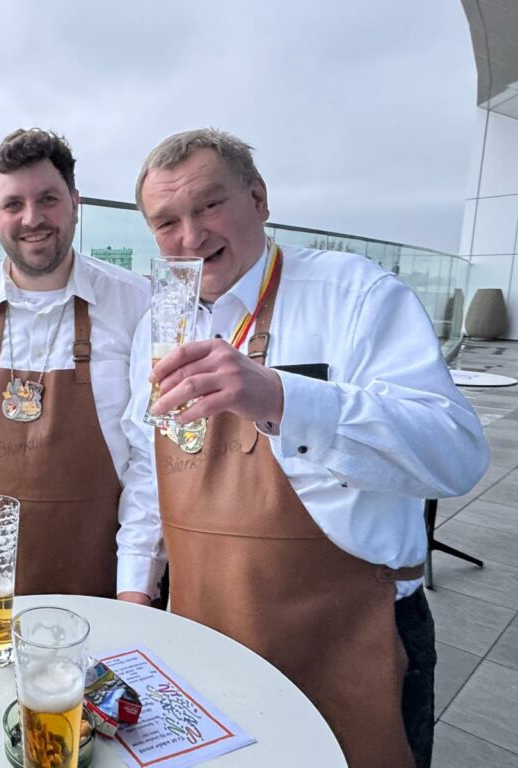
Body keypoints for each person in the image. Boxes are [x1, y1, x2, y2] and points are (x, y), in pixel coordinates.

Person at [129, 128, 489, 768]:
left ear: (258, 198)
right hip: (204, 631)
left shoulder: (357, 295)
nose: (190, 236)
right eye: (167, 221)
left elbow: (457, 453)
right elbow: (146, 466)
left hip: (352, 635)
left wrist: (283, 399)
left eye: (210, 205)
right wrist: (135, 587)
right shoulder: (160, 325)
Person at [0, 128, 164, 610]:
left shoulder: (134, 302)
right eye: (13, 204)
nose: (32, 218)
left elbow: (151, 457)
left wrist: (137, 586)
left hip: (100, 578)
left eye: (48, 199)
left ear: (76, 202)